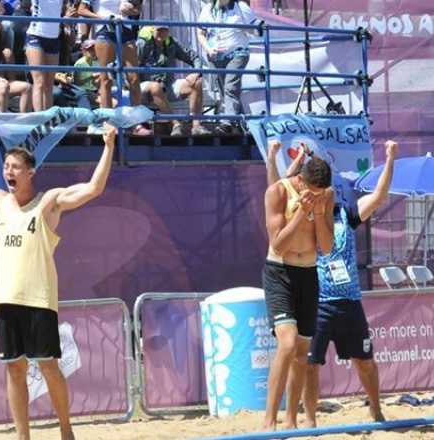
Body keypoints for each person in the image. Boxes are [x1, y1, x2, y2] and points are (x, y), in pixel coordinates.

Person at [0, 122, 119, 440]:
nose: (9, 171)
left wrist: (109, 145)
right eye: (6, 166)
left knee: (48, 367)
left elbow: (93, 188)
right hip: (7, 298)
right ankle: (23, 436)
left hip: (39, 300)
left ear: (30, 172)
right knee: (14, 369)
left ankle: (66, 429)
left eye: (15, 166)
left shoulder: (48, 202)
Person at [265, 140, 396, 427]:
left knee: (364, 361)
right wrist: (280, 157)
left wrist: (390, 160)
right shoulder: (296, 198)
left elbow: (379, 195)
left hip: (347, 298)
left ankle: (376, 410)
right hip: (316, 292)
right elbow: (281, 188)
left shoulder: (344, 215)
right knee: (305, 360)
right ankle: (305, 420)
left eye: (324, 193)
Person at [261, 147, 334, 431]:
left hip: (309, 272)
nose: (317, 195)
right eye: (313, 191)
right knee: (288, 343)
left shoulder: (325, 195)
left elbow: (326, 247)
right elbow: (278, 244)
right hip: (280, 271)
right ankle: (269, 420)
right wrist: (302, 214)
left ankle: (292, 420)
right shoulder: (278, 192)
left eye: (321, 192)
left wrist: (318, 211)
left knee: (302, 352)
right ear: (301, 181)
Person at [78, 0, 150, 135]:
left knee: (134, 78)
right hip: (105, 30)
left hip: (125, 29)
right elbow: (81, 10)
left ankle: (136, 123)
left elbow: (138, 8)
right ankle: (108, 123)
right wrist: (104, 17)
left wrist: (133, 10)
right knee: (106, 80)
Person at [196, 0, 259, 132]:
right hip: (216, 57)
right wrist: (208, 49)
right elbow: (200, 32)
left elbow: (257, 29)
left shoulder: (241, 7)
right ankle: (242, 125)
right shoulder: (207, 9)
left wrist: (255, 28)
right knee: (227, 91)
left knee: (230, 87)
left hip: (238, 53)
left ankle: (228, 123)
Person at [136, 25, 210, 136]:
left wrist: (196, 72)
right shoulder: (142, 44)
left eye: (165, 30)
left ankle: (196, 126)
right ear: (153, 30)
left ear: (168, 32)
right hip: (143, 89)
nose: (161, 33)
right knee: (155, 86)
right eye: (159, 30)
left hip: (167, 86)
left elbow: (194, 57)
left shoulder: (172, 43)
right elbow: (128, 65)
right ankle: (175, 124)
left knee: (197, 82)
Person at [25, 0, 64, 111]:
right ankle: (40, 118)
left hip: (54, 38)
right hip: (36, 35)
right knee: (39, 81)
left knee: (49, 84)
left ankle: (48, 119)